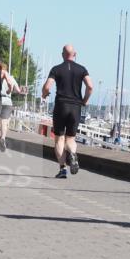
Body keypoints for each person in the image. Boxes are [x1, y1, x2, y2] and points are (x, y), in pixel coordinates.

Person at [42, 45, 92, 178]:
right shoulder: (82, 69)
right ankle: (73, 155)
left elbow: (47, 86)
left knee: (59, 139)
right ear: (74, 54)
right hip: (76, 107)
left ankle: (63, 169)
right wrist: (85, 100)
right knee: (70, 138)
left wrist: (44, 94)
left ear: (62, 54)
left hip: (61, 106)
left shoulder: (56, 69)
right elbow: (90, 86)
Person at [0, 62, 19, 151]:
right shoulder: (11, 78)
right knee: (4, 123)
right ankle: (3, 138)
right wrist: (12, 91)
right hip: (8, 101)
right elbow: (18, 90)